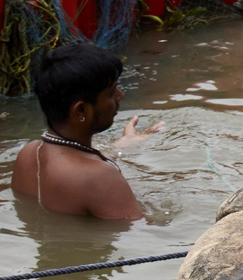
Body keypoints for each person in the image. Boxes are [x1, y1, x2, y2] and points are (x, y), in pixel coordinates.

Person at [9, 44, 162, 220]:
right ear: (81, 110)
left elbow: (75, 165)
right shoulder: (99, 177)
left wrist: (123, 144)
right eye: (111, 92)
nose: (120, 96)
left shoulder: (28, 153)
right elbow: (142, 235)